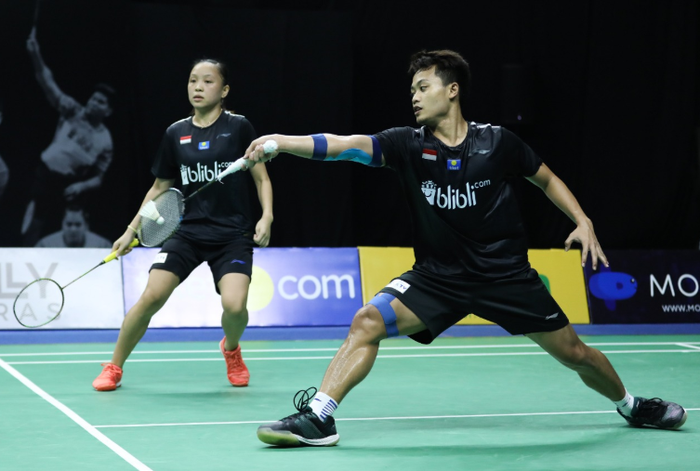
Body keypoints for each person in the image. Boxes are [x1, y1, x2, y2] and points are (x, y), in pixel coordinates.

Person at [245, 49, 687, 447]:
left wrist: (583, 220)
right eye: (412, 89)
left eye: (424, 87)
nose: (414, 97)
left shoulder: (498, 143)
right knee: (367, 321)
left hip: (506, 277)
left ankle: (631, 405)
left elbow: (546, 178)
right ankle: (320, 418)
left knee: (574, 353)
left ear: (452, 90)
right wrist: (282, 143)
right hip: (438, 277)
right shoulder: (407, 144)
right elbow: (343, 147)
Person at [92, 58, 273, 391]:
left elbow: (261, 177)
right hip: (188, 232)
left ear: (224, 90)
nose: (198, 87)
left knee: (234, 305)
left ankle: (231, 348)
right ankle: (114, 366)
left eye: (207, 82)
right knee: (151, 296)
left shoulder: (239, 128)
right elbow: (159, 188)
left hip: (232, 234)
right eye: (193, 81)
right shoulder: (176, 133)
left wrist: (267, 216)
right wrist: (130, 231)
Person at [22, 27, 115, 246]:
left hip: (69, 186)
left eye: (101, 102)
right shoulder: (73, 110)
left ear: (108, 111)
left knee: (68, 227)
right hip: (44, 177)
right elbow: (48, 83)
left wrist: (81, 187)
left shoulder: (106, 141)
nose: (94, 102)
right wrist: (35, 54)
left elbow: (98, 178)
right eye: (93, 98)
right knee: (33, 225)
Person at [34, 204, 111, 248]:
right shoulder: (46, 245)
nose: (73, 229)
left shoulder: (102, 246)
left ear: (86, 226)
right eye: (69, 224)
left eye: (78, 225)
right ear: (62, 224)